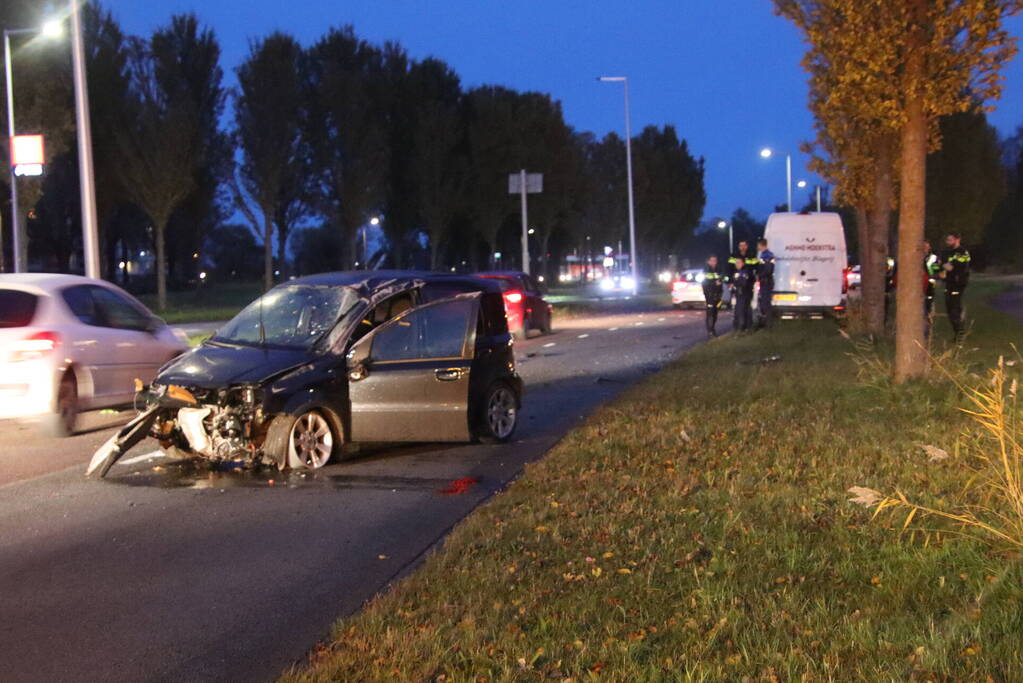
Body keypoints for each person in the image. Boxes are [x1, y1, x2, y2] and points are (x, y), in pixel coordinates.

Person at [940, 231, 970, 342]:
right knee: (949, 309)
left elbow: (955, 267)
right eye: (947, 240)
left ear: (958, 239)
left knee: (954, 309)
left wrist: (946, 266)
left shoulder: (962, 252)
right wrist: (944, 268)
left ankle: (960, 335)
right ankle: (957, 334)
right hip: (948, 283)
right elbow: (943, 266)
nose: (948, 242)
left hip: (958, 284)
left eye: (950, 239)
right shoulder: (947, 252)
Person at [728, 240, 757, 333]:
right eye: (741, 245)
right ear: (739, 247)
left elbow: (756, 268)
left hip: (748, 284)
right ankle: (740, 325)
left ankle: (746, 326)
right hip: (737, 284)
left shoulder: (752, 255)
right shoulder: (734, 255)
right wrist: (730, 281)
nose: (742, 247)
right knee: (738, 307)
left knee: (746, 306)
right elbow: (729, 269)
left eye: (744, 245)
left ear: (747, 246)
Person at [701, 254, 727, 337]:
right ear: (708, 261)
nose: (714, 262)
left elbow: (724, 277)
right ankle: (710, 330)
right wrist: (715, 282)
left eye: (715, 261)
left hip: (717, 293)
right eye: (712, 261)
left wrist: (721, 279)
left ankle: (712, 329)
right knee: (710, 311)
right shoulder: (706, 269)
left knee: (715, 312)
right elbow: (706, 282)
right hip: (709, 293)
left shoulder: (719, 268)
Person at [755, 238, 775, 328]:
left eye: (758, 245)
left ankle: (768, 324)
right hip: (765, 281)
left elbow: (768, 270)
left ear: (761, 245)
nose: (757, 247)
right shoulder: (764, 254)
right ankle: (766, 323)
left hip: (766, 282)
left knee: (766, 303)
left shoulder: (767, 255)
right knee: (764, 303)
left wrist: (759, 275)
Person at [923, 239, 940, 320]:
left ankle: (929, 313)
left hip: (930, 280)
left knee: (929, 298)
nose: (925, 248)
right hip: (920, 281)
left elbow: (937, 269)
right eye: (923, 246)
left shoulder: (933, 257)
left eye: (926, 246)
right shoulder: (916, 256)